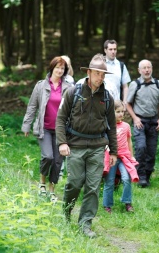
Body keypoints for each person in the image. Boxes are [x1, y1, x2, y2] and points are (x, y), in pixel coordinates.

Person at [55, 53, 118, 239]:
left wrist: (113, 151)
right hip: (75, 144)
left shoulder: (107, 98)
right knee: (74, 183)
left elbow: (112, 126)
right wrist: (62, 142)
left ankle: (85, 224)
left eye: (103, 74)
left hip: (98, 146)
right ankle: (66, 213)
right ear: (89, 72)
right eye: (98, 73)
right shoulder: (73, 92)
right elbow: (61, 119)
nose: (101, 77)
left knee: (92, 187)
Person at [21, 56, 71, 203]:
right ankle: (42, 182)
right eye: (58, 67)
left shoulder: (68, 87)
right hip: (45, 129)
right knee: (48, 157)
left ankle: (51, 190)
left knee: (57, 161)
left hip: (61, 130)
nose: (60, 70)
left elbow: (72, 110)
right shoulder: (41, 85)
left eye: (62, 68)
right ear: (52, 68)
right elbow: (32, 106)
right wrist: (26, 125)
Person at [126, 59, 159, 188]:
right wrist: (135, 118)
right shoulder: (135, 84)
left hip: (154, 121)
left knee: (151, 150)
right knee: (141, 147)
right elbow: (127, 103)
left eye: (148, 67)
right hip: (140, 121)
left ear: (152, 68)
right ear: (139, 70)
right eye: (144, 68)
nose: (147, 70)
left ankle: (148, 175)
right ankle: (140, 175)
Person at [103, 100, 139, 213]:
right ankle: (107, 205)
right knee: (109, 181)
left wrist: (132, 156)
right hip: (111, 157)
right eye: (118, 111)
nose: (121, 114)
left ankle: (127, 202)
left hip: (124, 158)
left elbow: (129, 142)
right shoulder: (107, 126)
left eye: (122, 112)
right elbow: (103, 141)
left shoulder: (126, 126)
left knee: (126, 179)